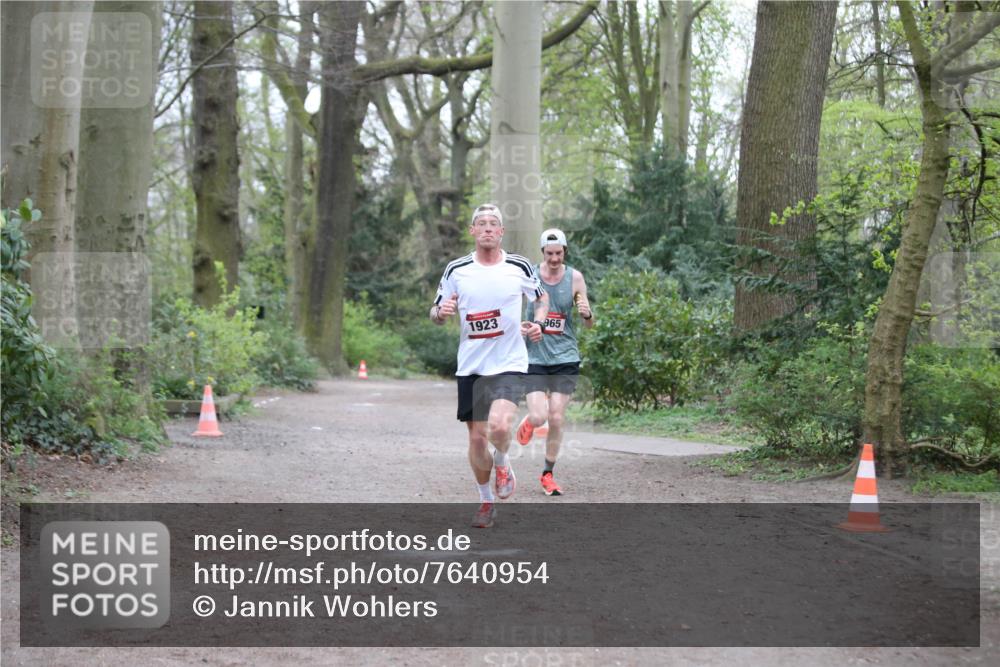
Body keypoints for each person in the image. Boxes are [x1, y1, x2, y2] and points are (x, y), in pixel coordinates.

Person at [430, 203, 549, 528]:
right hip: (471, 366)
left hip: (509, 362)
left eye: (492, 223)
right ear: (472, 231)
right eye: (480, 223)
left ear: (501, 232)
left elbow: (540, 298)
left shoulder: (519, 266)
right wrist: (441, 313)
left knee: (498, 426)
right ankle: (485, 500)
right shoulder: (457, 270)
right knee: (477, 438)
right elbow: (436, 311)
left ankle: (502, 460)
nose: (486, 228)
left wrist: (538, 322)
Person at [515, 228, 593, 496]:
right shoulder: (530, 275)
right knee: (539, 416)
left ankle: (548, 473)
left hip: (565, 355)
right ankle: (529, 422)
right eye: (549, 254)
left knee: (557, 417)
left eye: (559, 253)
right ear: (542, 253)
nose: (554, 258)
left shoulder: (575, 278)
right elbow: (512, 306)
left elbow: (590, 322)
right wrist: (521, 327)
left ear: (565, 251)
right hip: (534, 354)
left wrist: (587, 313)